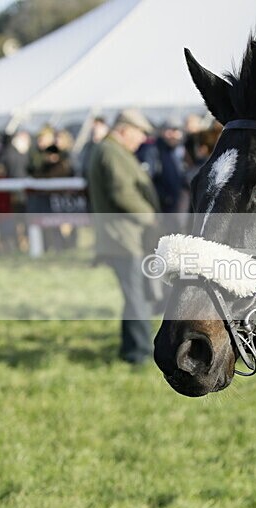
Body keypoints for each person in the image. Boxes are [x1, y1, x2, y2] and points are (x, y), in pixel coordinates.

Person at [88, 109, 162, 364]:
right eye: (139, 133)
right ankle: (140, 353)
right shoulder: (111, 152)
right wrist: (150, 217)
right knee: (137, 297)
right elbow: (122, 193)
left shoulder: (112, 151)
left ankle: (131, 349)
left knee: (134, 296)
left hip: (125, 238)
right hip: (124, 239)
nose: (141, 139)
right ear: (124, 130)